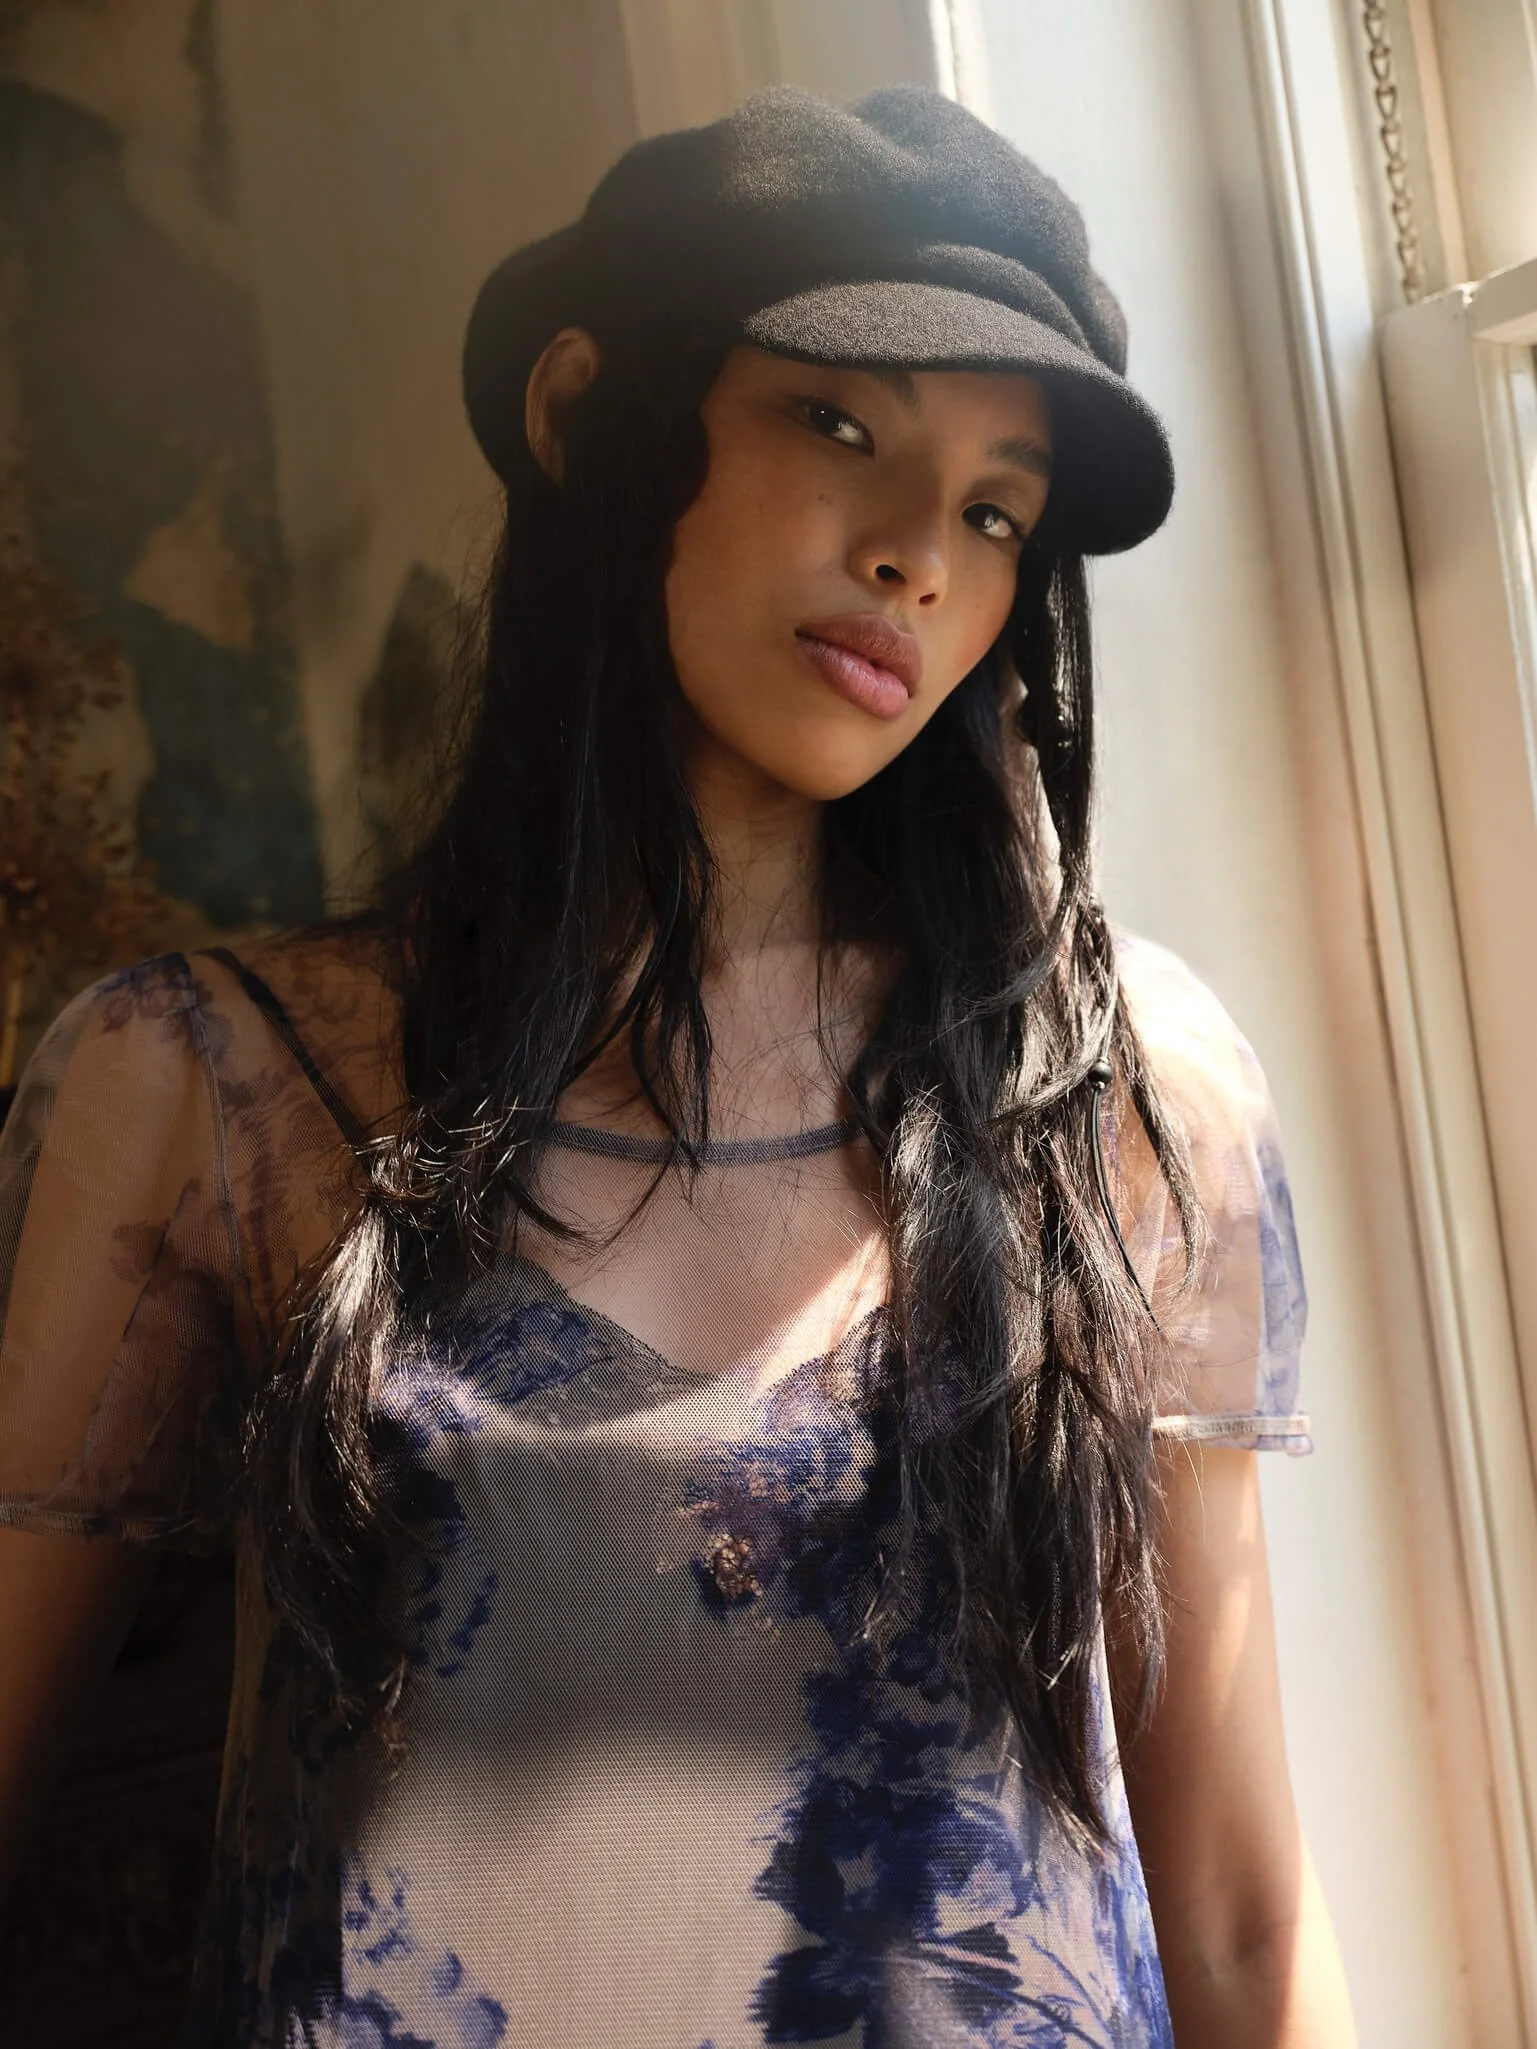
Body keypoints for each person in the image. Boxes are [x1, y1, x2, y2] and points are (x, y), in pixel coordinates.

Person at [0, 84, 1357, 2049]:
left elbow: (1236, 1908)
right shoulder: (215, 1082)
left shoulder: (1126, 1094)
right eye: (837, 426)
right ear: (586, 415)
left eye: (995, 507)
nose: (918, 555)